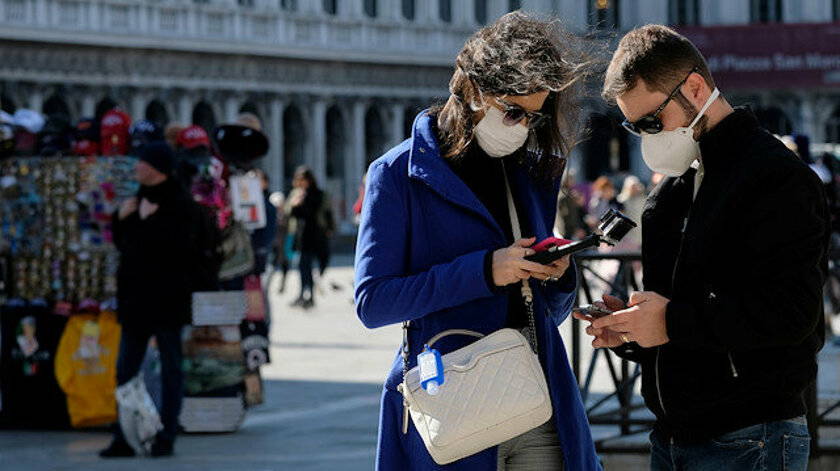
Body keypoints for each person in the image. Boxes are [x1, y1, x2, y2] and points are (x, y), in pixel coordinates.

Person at [575, 25, 830, 471]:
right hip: (672, 436)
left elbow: (793, 314)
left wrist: (669, 322)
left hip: (751, 436)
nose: (647, 138)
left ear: (695, 88)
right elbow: (685, 317)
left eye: (652, 122)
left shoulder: (775, 176)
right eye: (634, 128)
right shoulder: (670, 192)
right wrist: (634, 330)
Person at [354, 12, 601, 471]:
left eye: (534, 116)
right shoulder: (396, 173)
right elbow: (373, 302)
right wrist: (486, 270)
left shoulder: (529, 169)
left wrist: (556, 273)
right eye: (513, 111)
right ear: (470, 90)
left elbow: (547, 308)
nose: (524, 126)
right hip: (449, 399)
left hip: (535, 395)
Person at [100, 142, 219, 458]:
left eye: (142, 162)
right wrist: (122, 220)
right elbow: (127, 247)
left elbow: (172, 252)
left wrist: (144, 222)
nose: (137, 167)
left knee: (171, 370)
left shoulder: (181, 204)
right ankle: (125, 435)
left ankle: (165, 435)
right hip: (137, 302)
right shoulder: (137, 200)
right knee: (125, 370)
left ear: (156, 168)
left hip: (167, 301)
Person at [286, 166, 331, 309]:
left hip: (315, 234)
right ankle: (302, 294)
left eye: (302, 180)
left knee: (308, 265)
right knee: (301, 266)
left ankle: (309, 295)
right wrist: (295, 204)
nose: (300, 183)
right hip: (300, 235)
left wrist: (329, 229)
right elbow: (292, 214)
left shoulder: (317, 194)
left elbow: (318, 213)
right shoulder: (296, 194)